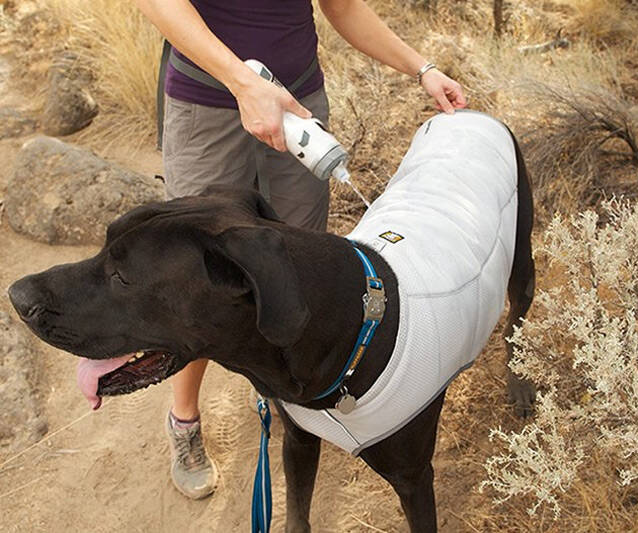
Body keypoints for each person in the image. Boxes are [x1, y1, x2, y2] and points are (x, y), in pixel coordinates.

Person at [135, 0, 467, 500]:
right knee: (194, 281)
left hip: (298, 109)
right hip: (206, 105)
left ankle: (274, 390)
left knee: (290, 268)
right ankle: (184, 421)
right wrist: (245, 84)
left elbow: (345, 7)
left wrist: (423, 68)